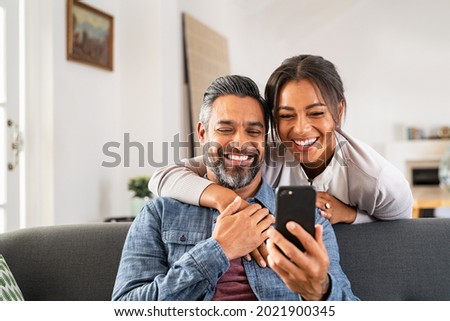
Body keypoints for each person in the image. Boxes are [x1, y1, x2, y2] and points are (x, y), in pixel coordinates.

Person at [112, 75, 358, 301]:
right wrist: (218, 250)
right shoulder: (159, 214)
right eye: (225, 129)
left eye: (253, 131)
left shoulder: (310, 221)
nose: (240, 143)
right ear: (202, 133)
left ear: (265, 140)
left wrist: (321, 291)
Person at [149, 55, 413, 226]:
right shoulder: (266, 155)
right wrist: (226, 199)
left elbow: (402, 230)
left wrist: (351, 215)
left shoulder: (375, 178)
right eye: (286, 115)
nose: (301, 129)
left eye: (316, 113)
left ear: (338, 111)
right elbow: (163, 177)